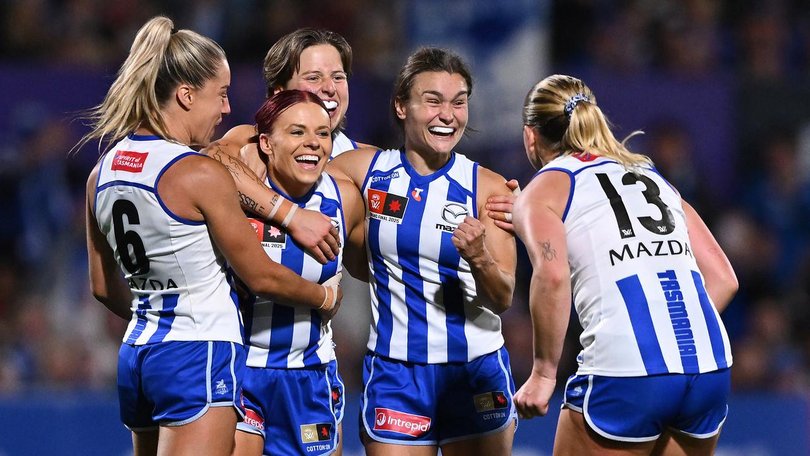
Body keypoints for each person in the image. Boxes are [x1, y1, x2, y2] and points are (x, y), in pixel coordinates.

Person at [80, 17, 341, 456]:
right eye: (220, 94)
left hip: (138, 353)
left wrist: (160, 319)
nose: (225, 109)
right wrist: (325, 298)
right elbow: (261, 277)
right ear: (185, 95)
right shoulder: (198, 173)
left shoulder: (100, 173)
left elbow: (103, 287)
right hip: (199, 355)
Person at [511, 74, 737, 455]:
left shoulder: (542, 189)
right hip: (707, 362)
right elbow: (724, 278)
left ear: (530, 136)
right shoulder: (652, 176)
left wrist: (543, 373)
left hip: (626, 368)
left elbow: (551, 275)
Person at [326, 47, 518, 456]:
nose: (447, 115)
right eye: (433, 101)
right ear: (401, 106)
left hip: (474, 370)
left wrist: (480, 257)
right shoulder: (364, 170)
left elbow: (502, 297)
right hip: (396, 373)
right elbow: (281, 161)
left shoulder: (490, 189)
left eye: (458, 102)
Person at [233, 90, 366, 456]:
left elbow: (380, 260)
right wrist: (326, 297)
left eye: (323, 134)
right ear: (266, 143)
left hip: (310, 377)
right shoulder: (233, 196)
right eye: (297, 132)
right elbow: (213, 155)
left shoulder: (346, 199)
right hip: (240, 372)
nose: (313, 143)